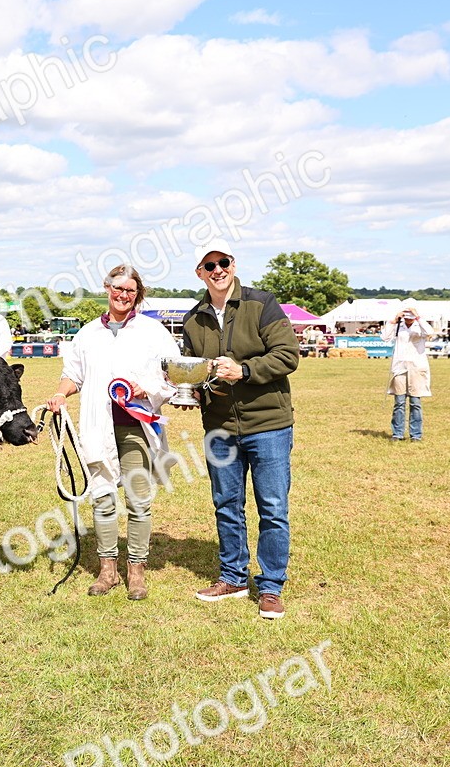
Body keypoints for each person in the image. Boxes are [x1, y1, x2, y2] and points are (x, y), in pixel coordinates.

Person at [182, 238, 299, 620]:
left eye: (223, 263)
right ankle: (232, 577)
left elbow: (287, 355)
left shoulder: (261, 303)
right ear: (199, 273)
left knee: (273, 507)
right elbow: (193, 369)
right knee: (226, 506)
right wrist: (190, 390)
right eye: (209, 266)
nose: (218, 271)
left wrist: (244, 370)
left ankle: (270, 586)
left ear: (233, 264)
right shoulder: (192, 318)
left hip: (268, 424)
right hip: (218, 427)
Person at [46, 265, 180, 600]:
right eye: (117, 289)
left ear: (138, 294)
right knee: (103, 498)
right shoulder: (88, 334)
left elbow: (172, 373)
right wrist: (61, 393)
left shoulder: (153, 331)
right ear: (107, 288)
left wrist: (143, 386)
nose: (123, 295)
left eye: (130, 291)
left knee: (138, 499)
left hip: (137, 427)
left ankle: (136, 571)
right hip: (97, 426)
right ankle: (108, 571)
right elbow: (72, 374)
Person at [381, 301, 432, 442]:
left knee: (415, 402)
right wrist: (393, 321)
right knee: (399, 402)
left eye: (410, 316)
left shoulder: (420, 326)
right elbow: (385, 337)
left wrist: (418, 317)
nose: (408, 319)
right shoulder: (398, 326)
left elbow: (430, 332)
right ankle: (397, 433)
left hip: (417, 366)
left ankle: (416, 434)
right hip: (400, 367)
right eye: (406, 316)